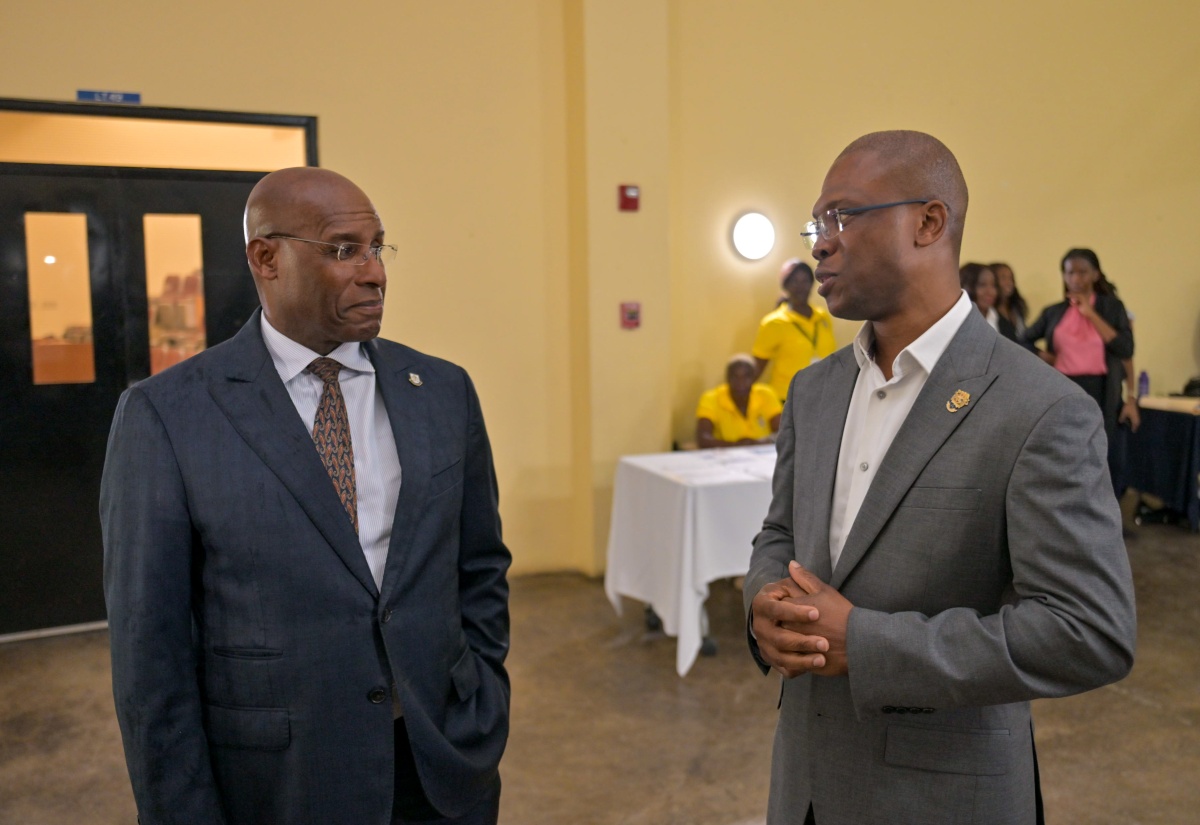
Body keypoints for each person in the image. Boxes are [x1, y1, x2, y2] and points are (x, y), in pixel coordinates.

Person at [744, 131, 1135, 825]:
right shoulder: (815, 391)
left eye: (842, 216)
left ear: (929, 222)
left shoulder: (1038, 409)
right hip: (803, 782)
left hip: (940, 795)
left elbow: (1088, 629)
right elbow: (780, 531)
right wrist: (762, 607)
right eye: (816, 225)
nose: (821, 243)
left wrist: (866, 643)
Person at [101, 167, 511, 825]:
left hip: (440, 764)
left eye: (379, 247)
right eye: (344, 250)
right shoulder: (169, 414)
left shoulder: (440, 390)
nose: (375, 272)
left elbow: (480, 564)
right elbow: (151, 649)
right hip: (279, 781)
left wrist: (484, 698)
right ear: (266, 257)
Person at [1024, 248, 1138, 490]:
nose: (1076, 279)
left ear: (1095, 274)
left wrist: (1090, 313)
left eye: (1083, 272)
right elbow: (1021, 339)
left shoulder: (1111, 307)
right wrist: (1043, 355)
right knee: (1066, 456)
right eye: (1070, 273)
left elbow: (1126, 349)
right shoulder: (1054, 312)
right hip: (1063, 390)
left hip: (1101, 391)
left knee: (1102, 457)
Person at [752, 258, 837, 402]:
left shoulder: (822, 317)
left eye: (805, 281)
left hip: (822, 397)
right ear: (785, 286)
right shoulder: (774, 322)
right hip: (788, 401)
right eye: (794, 282)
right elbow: (755, 371)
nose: (800, 287)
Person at [696, 354, 783, 448]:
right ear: (727, 378)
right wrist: (736, 446)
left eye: (746, 377)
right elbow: (703, 439)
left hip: (763, 457)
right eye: (735, 377)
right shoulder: (711, 398)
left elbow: (783, 433)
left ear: (754, 378)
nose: (740, 383)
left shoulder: (766, 394)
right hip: (725, 458)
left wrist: (756, 443)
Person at [960, 261, 1017, 341]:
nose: (990, 292)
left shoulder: (1003, 323)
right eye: (982, 285)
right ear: (967, 286)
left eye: (994, 285)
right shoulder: (958, 322)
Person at [990, 261, 1028, 340]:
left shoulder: (1016, 309)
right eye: (1003, 278)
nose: (1009, 282)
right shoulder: (989, 311)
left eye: (1011, 278)